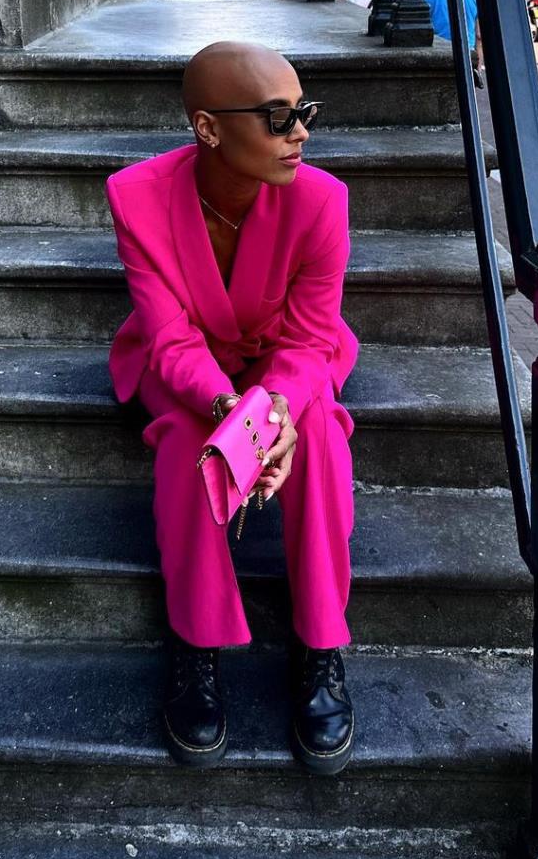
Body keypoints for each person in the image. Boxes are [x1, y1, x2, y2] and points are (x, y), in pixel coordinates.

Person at [105, 41, 358, 776]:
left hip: (285, 355)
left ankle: (320, 646)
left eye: (304, 113)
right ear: (209, 128)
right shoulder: (136, 196)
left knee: (318, 432)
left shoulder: (321, 199)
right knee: (190, 440)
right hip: (186, 363)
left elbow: (310, 338)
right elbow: (169, 337)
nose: (300, 133)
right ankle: (197, 642)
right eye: (278, 118)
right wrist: (233, 414)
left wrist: (275, 411)